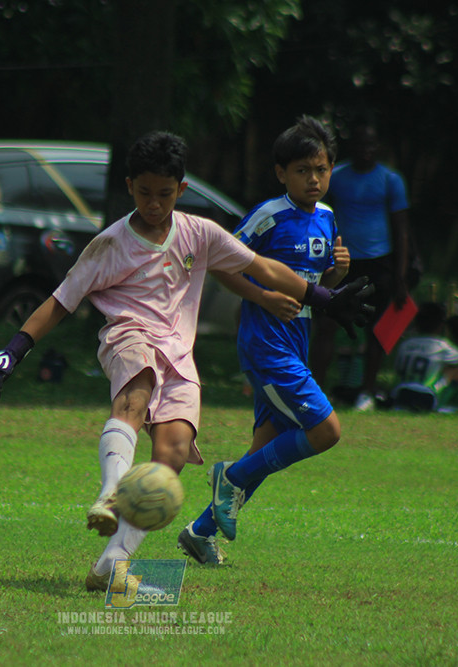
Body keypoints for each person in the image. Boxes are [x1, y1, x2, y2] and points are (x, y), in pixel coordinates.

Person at [0, 130, 372, 589]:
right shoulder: (110, 243)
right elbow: (60, 300)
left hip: (179, 356)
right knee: (135, 392)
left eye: (164, 194)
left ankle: (111, 566)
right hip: (129, 338)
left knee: (174, 452)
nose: (153, 204)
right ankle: (110, 493)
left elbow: (261, 267)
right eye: (144, 192)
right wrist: (13, 351)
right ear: (130, 186)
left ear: (181, 190)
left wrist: (324, 298)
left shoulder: (198, 233)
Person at [176, 116, 364, 565]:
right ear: (281, 173)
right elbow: (221, 264)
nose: (313, 179)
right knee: (326, 430)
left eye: (321, 169)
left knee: (265, 447)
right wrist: (263, 296)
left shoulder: (326, 217)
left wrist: (337, 272)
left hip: (296, 340)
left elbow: (314, 287)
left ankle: (199, 533)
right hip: (265, 344)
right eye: (302, 170)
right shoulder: (268, 216)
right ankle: (230, 477)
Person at [310, 120, 412, 411]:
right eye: (360, 144)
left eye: (370, 144)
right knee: (327, 324)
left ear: (377, 147)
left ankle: (367, 390)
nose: (365, 150)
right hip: (343, 261)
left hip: (379, 262)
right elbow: (319, 215)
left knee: (376, 329)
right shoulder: (336, 177)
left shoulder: (390, 180)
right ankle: (316, 388)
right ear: (351, 147)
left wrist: (401, 276)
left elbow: (401, 229)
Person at [389, 302, 458, 412]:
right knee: (457, 369)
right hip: (426, 395)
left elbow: (398, 368)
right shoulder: (441, 346)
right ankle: (443, 402)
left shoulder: (406, 344)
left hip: (401, 393)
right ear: (441, 325)